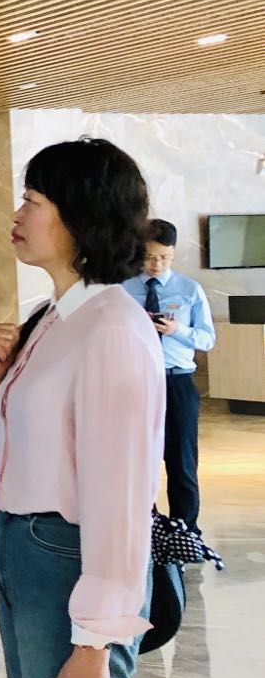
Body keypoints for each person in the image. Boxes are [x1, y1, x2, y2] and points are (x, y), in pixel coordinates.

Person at [0, 138, 164, 678]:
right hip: (23, 548)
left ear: (80, 218)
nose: (17, 214)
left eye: (34, 200)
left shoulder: (111, 328)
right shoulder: (56, 316)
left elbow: (121, 499)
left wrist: (94, 642)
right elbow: (33, 446)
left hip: (66, 560)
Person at [122, 218, 216, 533]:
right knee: (138, 459)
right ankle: (143, 529)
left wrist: (177, 330)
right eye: (150, 257)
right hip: (136, 382)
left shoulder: (189, 290)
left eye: (164, 257)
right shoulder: (122, 289)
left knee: (182, 461)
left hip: (177, 381)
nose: (157, 264)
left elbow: (207, 339)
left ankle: (186, 532)